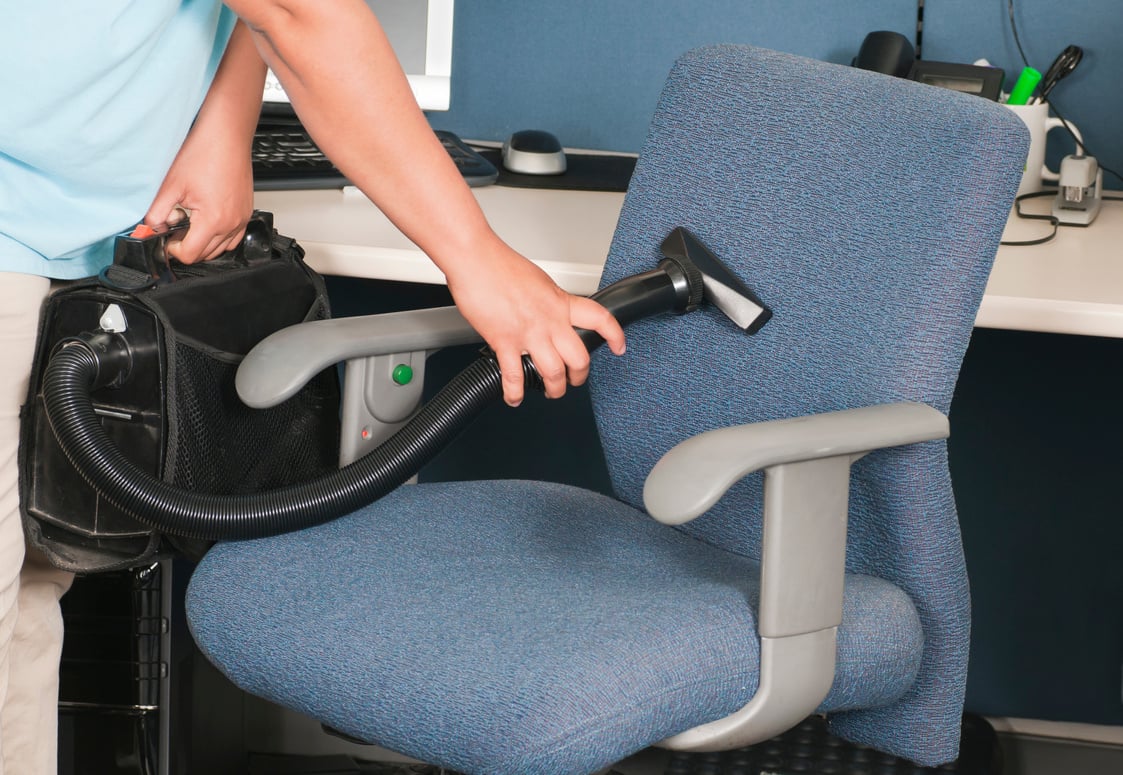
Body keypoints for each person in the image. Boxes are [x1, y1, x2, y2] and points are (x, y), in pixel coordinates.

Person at [0, 2, 626, 772]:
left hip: (63, 235)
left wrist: (225, 125)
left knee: (25, 603)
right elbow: (299, 13)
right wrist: (476, 257)